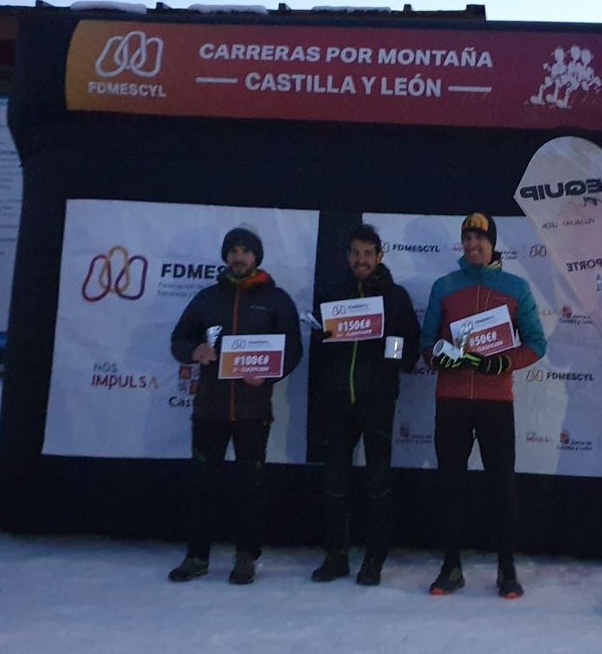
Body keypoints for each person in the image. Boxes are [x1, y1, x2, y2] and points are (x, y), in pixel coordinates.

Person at [167, 224, 302, 585]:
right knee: (201, 485)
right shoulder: (208, 298)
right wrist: (194, 350)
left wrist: (269, 374)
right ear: (226, 257)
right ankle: (196, 556)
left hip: (252, 411)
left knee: (251, 487)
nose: (239, 256)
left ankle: (247, 557)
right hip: (209, 409)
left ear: (257, 256)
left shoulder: (276, 299)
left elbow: (292, 350)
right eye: (233, 251)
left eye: (245, 250)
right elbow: (179, 339)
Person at [420, 212, 546, 599]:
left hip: (495, 401)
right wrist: (438, 358)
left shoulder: (516, 288)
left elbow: (536, 344)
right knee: (451, 485)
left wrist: (503, 361)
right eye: (467, 238)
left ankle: (506, 569)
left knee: (502, 486)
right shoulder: (444, 286)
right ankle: (451, 566)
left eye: (480, 238)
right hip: (452, 399)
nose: (473, 245)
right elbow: (427, 344)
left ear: (493, 244)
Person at [309, 224, 420, 586]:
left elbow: (409, 348)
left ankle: (374, 558)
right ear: (347, 256)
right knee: (334, 481)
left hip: (377, 401)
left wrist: (388, 350)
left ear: (379, 256)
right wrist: (327, 339)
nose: (361, 260)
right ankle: (336, 555)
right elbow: (319, 348)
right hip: (338, 401)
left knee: (378, 482)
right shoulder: (332, 293)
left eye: (367, 253)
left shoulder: (396, 296)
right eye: (355, 253)